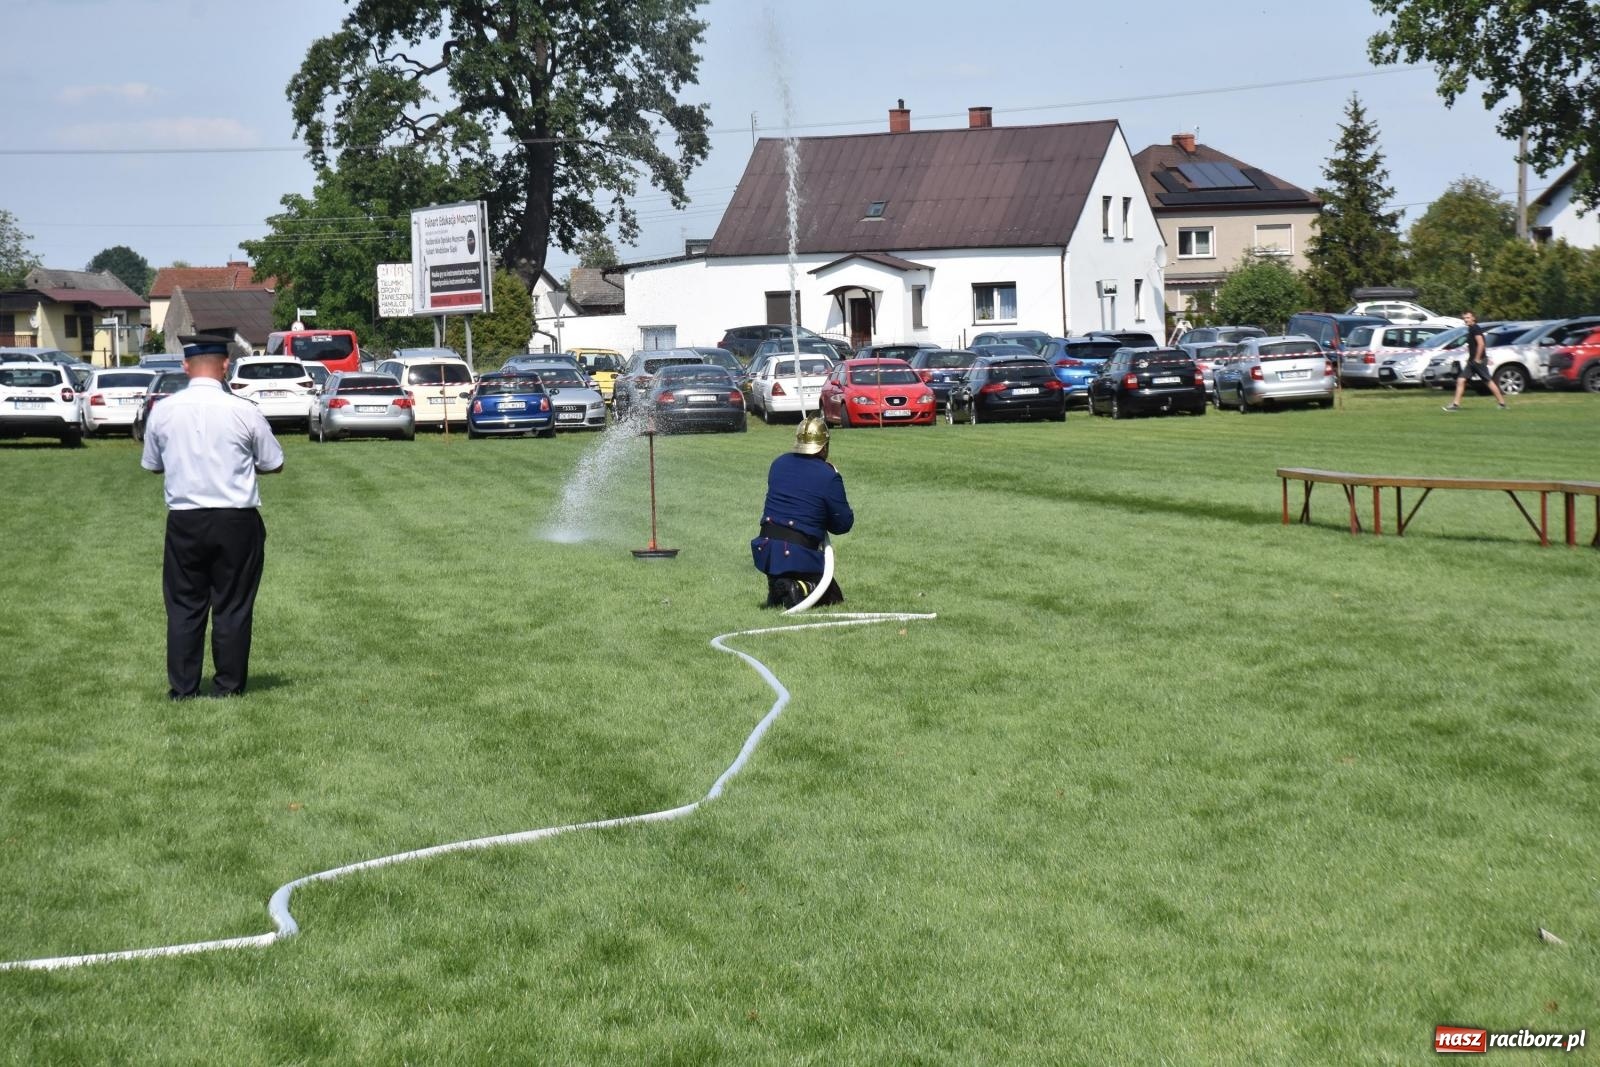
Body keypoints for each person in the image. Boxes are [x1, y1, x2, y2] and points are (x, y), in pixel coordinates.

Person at [141, 333, 284, 699]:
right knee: (233, 605)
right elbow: (274, 462)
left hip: (185, 518)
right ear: (225, 367)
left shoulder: (164, 410)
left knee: (185, 605)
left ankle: (184, 688)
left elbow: (152, 465)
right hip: (236, 518)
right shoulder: (243, 410)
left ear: (185, 366)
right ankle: (228, 686)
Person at [751, 416, 854, 608]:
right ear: (824, 446)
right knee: (833, 596)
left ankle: (779, 587)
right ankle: (797, 588)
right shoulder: (828, 475)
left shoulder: (778, 464)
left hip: (766, 550)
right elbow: (842, 525)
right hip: (797, 553)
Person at [1444, 310, 1508, 411]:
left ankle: (1502, 404)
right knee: (1461, 380)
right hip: (1472, 361)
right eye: (1464, 318)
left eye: (1468, 318)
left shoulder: (1475, 329)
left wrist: (1478, 358)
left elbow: (1481, 344)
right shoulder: (1471, 329)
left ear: (1473, 318)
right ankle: (1455, 405)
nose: (1466, 320)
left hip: (1478, 361)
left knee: (1488, 381)